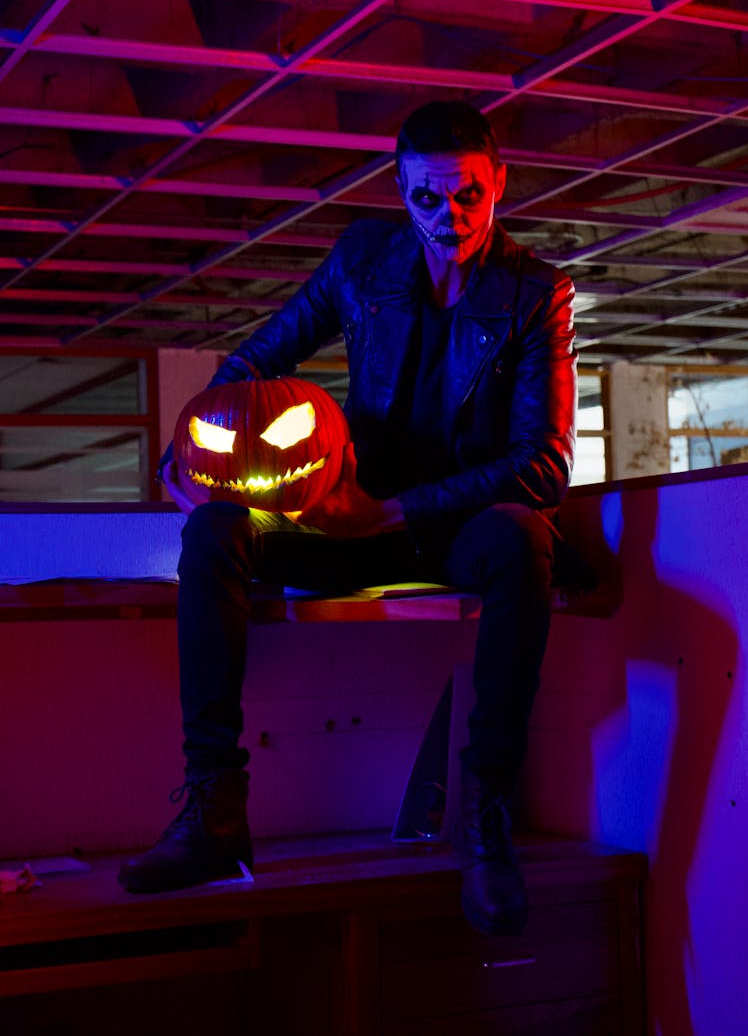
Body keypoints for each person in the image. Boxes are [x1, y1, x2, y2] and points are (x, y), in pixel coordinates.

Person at [117, 100, 577, 936]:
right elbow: (259, 359)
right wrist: (189, 445)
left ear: (499, 183)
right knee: (214, 531)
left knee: (522, 535)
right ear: (400, 189)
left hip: (450, 526)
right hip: (342, 516)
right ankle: (214, 808)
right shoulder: (362, 260)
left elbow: (542, 463)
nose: (450, 217)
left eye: (470, 195)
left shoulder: (536, 293)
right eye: (428, 198)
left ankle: (484, 816)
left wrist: (390, 510)